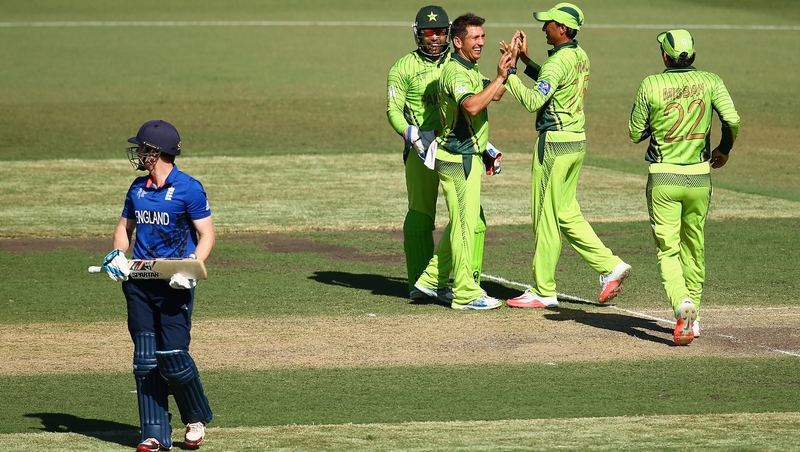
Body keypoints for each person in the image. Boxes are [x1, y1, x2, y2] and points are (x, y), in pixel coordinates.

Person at [500, 3, 632, 309]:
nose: (543, 27)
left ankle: (544, 289)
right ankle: (610, 266)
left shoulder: (557, 62)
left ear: (562, 29)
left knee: (545, 217)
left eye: (548, 24)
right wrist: (528, 61)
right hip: (576, 142)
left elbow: (535, 100)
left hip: (555, 146)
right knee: (566, 213)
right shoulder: (579, 55)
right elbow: (554, 82)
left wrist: (509, 75)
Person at [100, 120, 215, 451]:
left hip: (174, 285)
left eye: (142, 148)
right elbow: (125, 228)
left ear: (156, 153)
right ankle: (154, 434)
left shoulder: (189, 188)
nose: (137, 153)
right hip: (137, 283)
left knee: (173, 357)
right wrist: (117, 255)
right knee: (146, 360)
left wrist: (192, 268)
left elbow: (206, 235)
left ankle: (195, 419)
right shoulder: (137, 188)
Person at [628, 29, 740, 345]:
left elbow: (635, 133)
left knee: (669, 249)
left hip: (664, 179)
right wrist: (724, 149)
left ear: (664, 56)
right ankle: (695, 318)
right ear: (693, 55)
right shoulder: (711, 81)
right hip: (700, 178)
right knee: (694, 247)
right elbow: (732, 119)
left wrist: (658, 122)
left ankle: (682, 305)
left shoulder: (650, 84)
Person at [386, 5, 489, 304]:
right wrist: (410, 133)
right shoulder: (403, 67)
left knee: (473, 217)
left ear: (449, 36)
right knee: (420, 214)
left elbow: (475, 102)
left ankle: (469, 281)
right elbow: (393, 109)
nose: (434, 38)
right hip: (421, 151)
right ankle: (422, 285)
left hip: (455, 148)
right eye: (429, 33)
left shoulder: (459, 63)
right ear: (418, 34)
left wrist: (485, 144)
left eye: (440, 33)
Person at [412, 12, 515, 310]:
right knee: (465, 225)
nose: (481, 42)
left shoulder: (468, 67)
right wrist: (498, 77)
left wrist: (508, 67)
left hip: (465, 156)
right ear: (458, 41)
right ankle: (466, 294)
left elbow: (493, 95)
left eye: (483, 36)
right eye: (475, 37)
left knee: (461, 222)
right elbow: (471, 106)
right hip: (458, 159)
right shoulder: (456, 73)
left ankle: (430, 280)